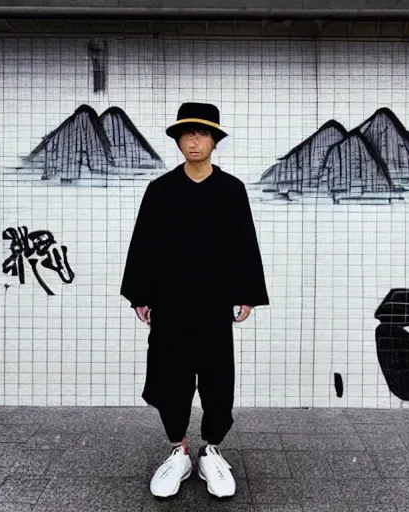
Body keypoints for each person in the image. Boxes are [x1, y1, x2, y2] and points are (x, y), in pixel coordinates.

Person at [120, 102, 269, 499]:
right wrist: (140, 294)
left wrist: (247, 293)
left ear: (214, 140)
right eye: (187, 133)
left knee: (218, 382)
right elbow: (144, 246)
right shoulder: (161, 190)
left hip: (215, 307)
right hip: (170, 306)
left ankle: (211, 451)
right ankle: (178, 452)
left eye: (202, 133)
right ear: (179, 140)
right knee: (171, 381)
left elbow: (244, 246)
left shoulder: (231, 190)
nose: (194, 141)